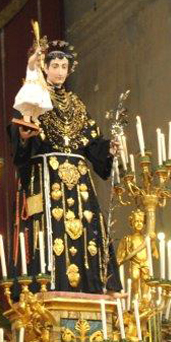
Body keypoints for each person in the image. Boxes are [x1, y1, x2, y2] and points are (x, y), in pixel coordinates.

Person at [10, 38, 122, 294]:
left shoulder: (77, 105)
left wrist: (108, 149)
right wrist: (25, 137)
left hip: (79, 184)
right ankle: (47, 285)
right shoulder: (36, 96)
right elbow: (22, 128)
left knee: (87, 230)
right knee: (49, 230)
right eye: (55, 66)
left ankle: (90, 287)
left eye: (64, 67)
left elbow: (91, 142)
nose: (60, 71)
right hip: (48, 178)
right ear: (46, 67)